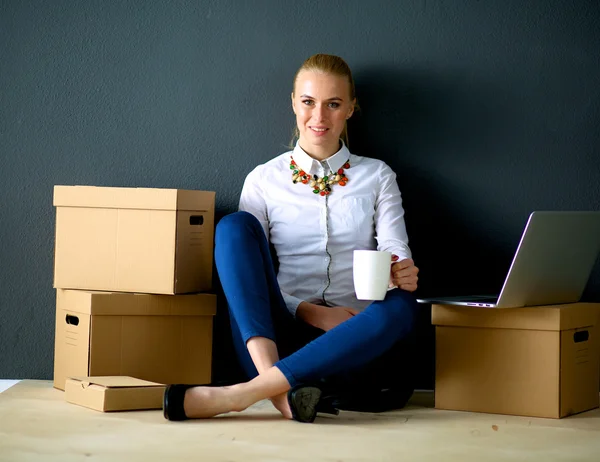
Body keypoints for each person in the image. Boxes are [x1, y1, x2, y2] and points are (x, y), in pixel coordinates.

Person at [163, 53, 420, 423]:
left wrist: (400, 269)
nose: (319, 117)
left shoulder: (377, 176)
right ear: (293, 103)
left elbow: (395, 246)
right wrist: (310, 312)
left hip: (355, 338)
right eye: (308, 102)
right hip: (276, 340)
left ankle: (245, 395)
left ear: (350, 108)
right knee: (234, 227)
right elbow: (247, 276)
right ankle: (277, 384)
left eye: (333, 104)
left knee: (403, 307)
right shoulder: (264, 179)